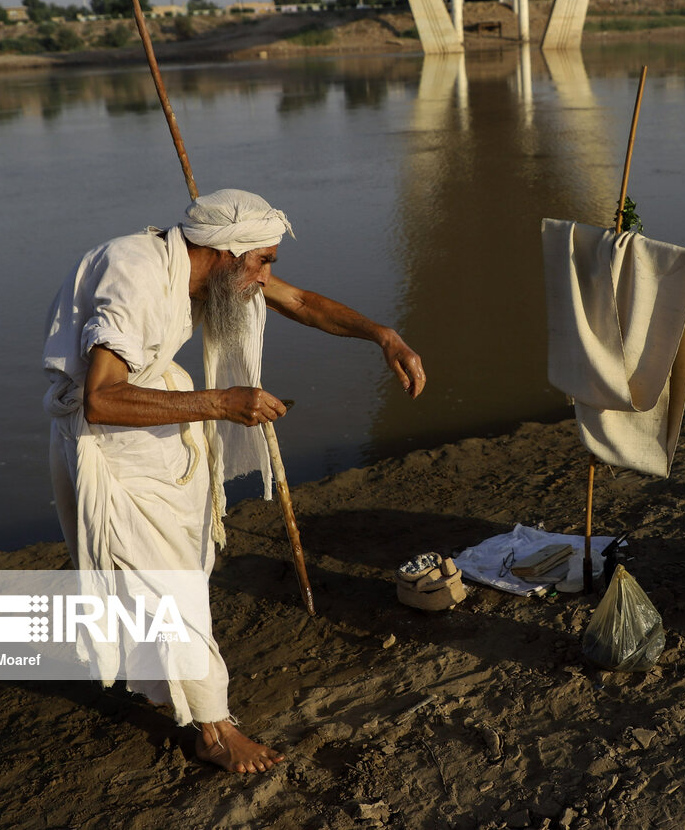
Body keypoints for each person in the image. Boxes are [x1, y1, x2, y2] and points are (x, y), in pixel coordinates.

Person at [42, 189, 425, 773]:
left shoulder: (211, 268)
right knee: (169, 588)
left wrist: (382, 335)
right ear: (224, 252)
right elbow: (101, 399)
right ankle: (214, 730)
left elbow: (301, 302)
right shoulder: (134, 274)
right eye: (263, 261)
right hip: (111, 439)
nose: (266, 278)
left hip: (157, 419)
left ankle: (172, 687)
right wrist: (221, 402)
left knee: (179, 576)